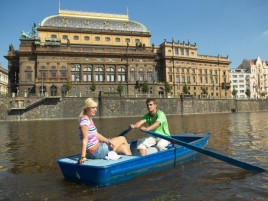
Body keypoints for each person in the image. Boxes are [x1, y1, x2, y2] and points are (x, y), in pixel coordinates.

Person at [78, 98, 132, 164]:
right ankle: (132, 160)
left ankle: (130, 162)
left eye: (96, 107)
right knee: (122, 138)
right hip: (96, 151)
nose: (96, 110)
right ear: (87, 109)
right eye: (93, 107)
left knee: (123, 147)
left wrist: (107, 141)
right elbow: (84, 140)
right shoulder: (85, 122)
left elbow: (96, 134)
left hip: (97, 150)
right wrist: (83, 157)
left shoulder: (89, 119)